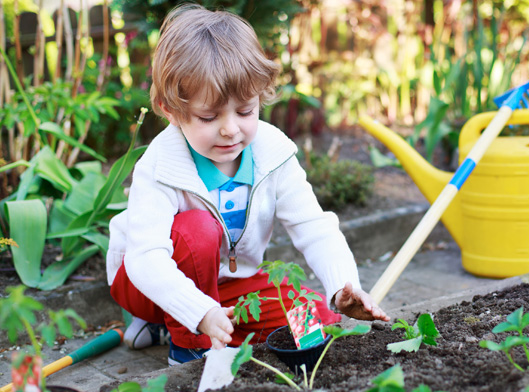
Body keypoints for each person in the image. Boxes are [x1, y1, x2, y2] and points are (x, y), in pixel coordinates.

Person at [106, 3, 390, 366]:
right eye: (209, 116)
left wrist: (342, 287)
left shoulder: (273, 155)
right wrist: (198, 312)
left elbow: (313, 227)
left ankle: (196, 323)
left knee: (317, 322)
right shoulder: (161, 165)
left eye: (245, 111)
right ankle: (187, 341)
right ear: (171, 110)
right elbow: (146, 259)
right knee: (197, 230)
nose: (230, 129)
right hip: (143, 283)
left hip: (232, 285)